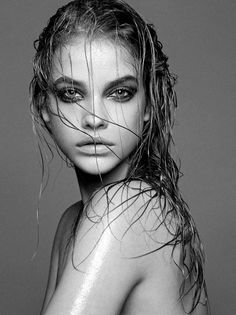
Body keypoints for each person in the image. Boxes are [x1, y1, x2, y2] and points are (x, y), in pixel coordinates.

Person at [30, 0, 209, 314]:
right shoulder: (72, 221)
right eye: (71, 93)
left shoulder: (128, 211)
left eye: (119, 92)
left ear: (150, 104)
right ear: (43, 104)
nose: (94, 117)